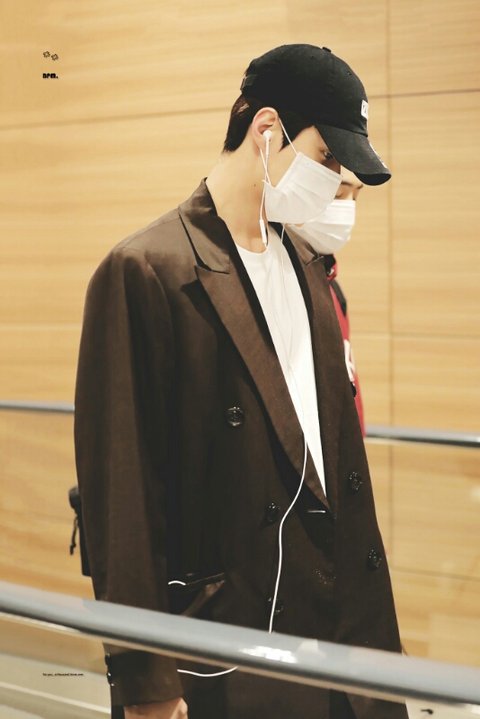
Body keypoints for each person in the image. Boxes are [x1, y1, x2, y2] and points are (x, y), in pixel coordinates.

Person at [73, 44, 407, 719]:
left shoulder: (308, 268)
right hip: (221, 657)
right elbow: (123, 502)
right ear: (267, 130)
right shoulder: (147, 271)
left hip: (341, 650)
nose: (334, 182)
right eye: (327, 158)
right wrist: (146, 684)